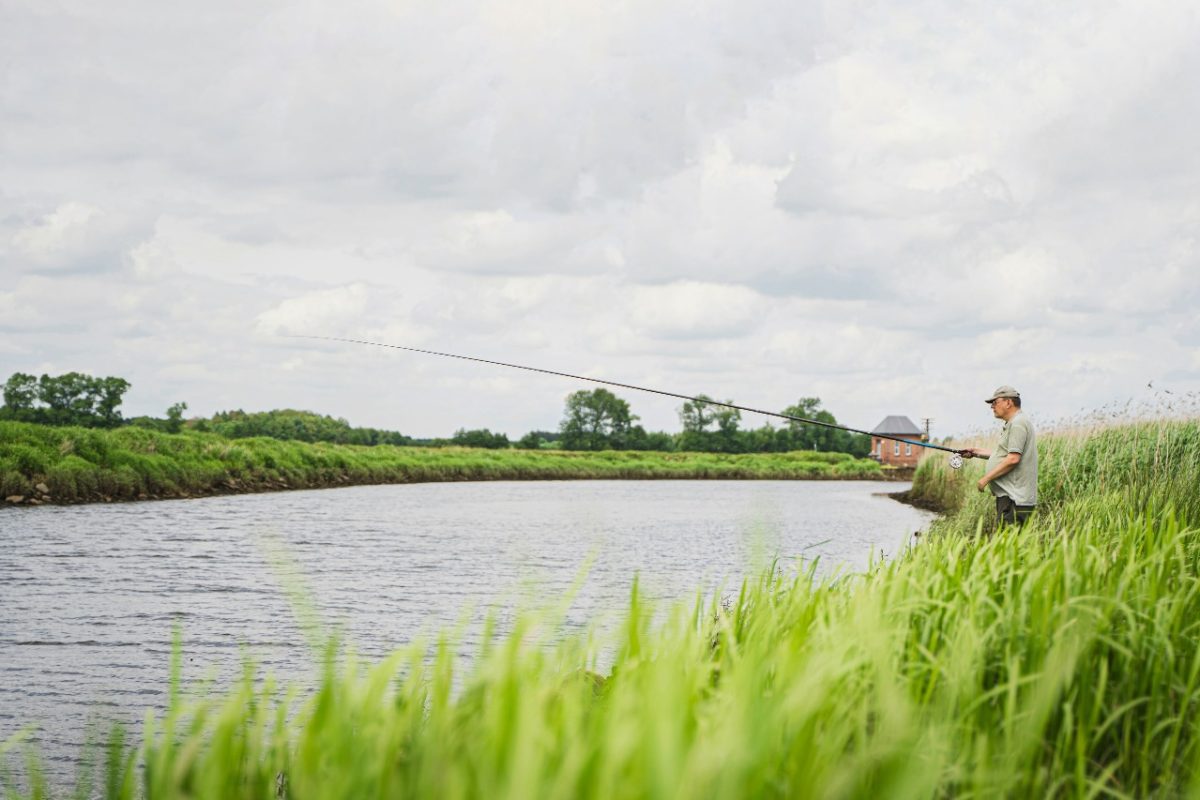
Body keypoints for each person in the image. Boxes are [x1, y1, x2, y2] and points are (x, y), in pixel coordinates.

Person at [962, 385, 1037, 527]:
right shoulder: (1014, 423)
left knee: (1009, 546)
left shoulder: (1018, 423)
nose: (992, 407)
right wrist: (975, 452)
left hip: (1014, 500)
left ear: (1008, 403)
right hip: (1011, 499)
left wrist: (985, 479)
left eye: (995, 402)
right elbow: (1004, 455)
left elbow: (1013, 459)